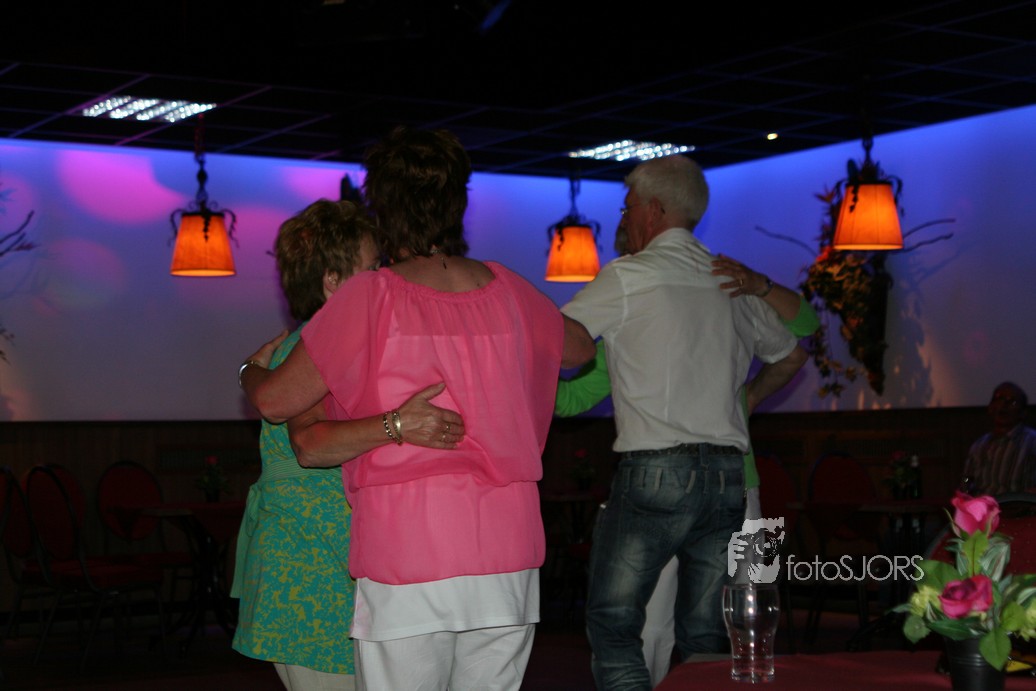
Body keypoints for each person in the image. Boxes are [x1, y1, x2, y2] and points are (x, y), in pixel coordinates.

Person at [240, 126, 596, 691]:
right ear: (459, 204)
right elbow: (580, 349)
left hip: (408, 550)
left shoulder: (369, 295)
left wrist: (248, 369)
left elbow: (275, 401)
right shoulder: (506, 286)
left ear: (383, 210)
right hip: (507, 552)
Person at [560, 153, 808, 690]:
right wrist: (748, 399)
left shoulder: (629, 275)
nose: (626, 216)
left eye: (628, 206)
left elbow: (562, 342)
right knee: (707, 636)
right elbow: (791, 354)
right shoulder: (730, 282)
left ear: (653, 210)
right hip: (728, 478)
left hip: (655, 470)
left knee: (615, 626)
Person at [230, 199, 466, 690]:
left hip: (332, 560)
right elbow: (310, 445)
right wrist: (399, 424)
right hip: (307, 569)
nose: (385, 277)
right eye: (372, 267)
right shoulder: (311, 349)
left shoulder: (334, 345)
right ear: (333, 282)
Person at [961, 381, 1036, 495]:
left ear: (1023, 412)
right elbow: (967, 479)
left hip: (1017, 504)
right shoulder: (979, 445)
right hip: (982, 504)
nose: (1003, 405)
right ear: (990, 408)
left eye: (1012, 402)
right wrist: (966, 491)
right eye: (998, 399)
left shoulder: (1032, 442)